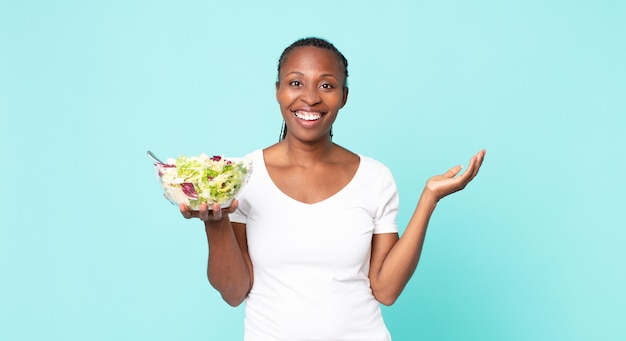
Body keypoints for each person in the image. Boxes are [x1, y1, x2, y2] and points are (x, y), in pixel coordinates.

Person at [180, 37, 486, 340]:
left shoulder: (375, 178)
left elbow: (386, 290)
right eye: (296, 83)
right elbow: (233, 292)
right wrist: (215, 223)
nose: (310, 98)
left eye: (326, 85)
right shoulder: (242, 175)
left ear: (344, 96)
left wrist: (429, 199)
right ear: (277, 91)